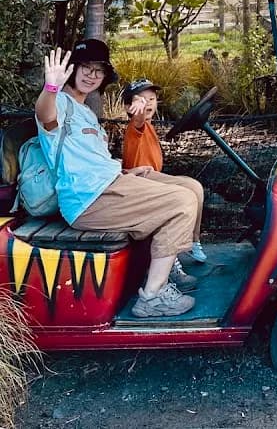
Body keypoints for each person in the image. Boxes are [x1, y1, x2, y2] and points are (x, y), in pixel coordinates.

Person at [34, 41, 197, 319]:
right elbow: (45, 117)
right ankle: (153, 296)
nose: (91, 75)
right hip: (89, 198)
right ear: (73, 69)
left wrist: (124, 172)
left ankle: (165, 264)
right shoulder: (59, 102)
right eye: (86, 67)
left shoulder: (85, 112)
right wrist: (51, 87)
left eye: (99, 70)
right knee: (182, 202)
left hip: (109, 185)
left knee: (189, 187)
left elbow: (90, 160)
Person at [121, 78, 207, 273]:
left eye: (151, 99)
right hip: (140, 181)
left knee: (195, 187)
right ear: (129, 106)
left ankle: (193, 241)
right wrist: (139, 112)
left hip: (153, 178)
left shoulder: (150, 126)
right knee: (189, 189)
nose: (148, 103)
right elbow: (138, 120)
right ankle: (173, 255)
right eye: (141, 100)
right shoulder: (136, 127)